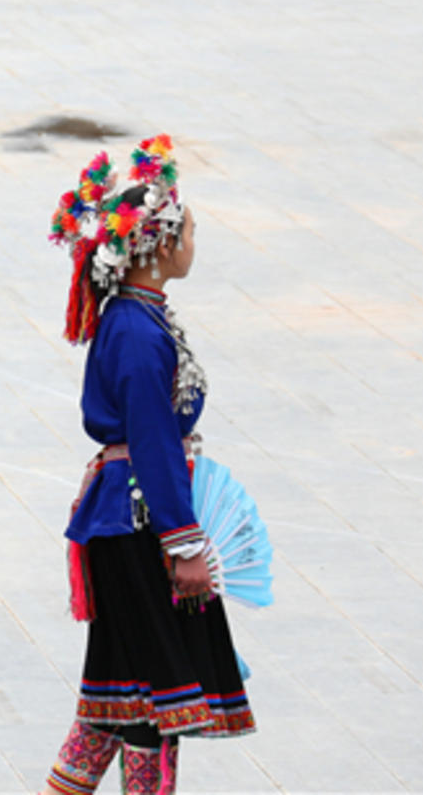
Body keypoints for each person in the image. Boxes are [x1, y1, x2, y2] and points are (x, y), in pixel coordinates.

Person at [43, 136, 255, 795]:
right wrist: (183, 544)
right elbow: (154, 441)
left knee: (116, 701)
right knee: (152, 704)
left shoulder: (138, 317)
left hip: (126, 521)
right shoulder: (136, 330)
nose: (193, 240)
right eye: (187, 230)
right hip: (136, 526)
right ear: (159, 245)